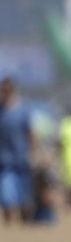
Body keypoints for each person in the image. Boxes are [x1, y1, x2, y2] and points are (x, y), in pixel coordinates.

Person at [0, 77, 36, 224]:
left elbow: (31, 134)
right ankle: (9, 222)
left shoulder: (23, 111)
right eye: (3, 90)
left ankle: (24, 224)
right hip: (4, 161)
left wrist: (34, 153)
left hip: (22, 158)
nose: (5, 93)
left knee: (24, 196)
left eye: (8, 90)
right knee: (6, 194)